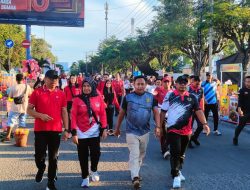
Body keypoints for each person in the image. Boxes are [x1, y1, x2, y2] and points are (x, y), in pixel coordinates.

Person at [160, 75, 210, 189]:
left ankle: (178, 170)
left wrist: (205, 124)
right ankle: (175, 175)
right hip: (173, 129)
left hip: (187, 131)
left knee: (182, 154)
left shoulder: (192, 97)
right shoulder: (170, 95)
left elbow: (198, 111)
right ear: (176, 84)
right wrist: (159, 127)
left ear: (187, 84)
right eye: (180, 82)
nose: (182, 84)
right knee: (175, 152)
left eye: (184, 83)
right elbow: (162, 112)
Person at [114, 75, 161, 190]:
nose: (140, 86)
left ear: (146, 85)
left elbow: (156, 113)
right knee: (134, 154)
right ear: (133, 85)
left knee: (141, 154)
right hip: (131, 131)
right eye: (138, 84)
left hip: (145, 131)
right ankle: (135, 176)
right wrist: (117, 128)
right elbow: (121, 113)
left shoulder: (151, 97)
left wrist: (158, 127)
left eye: (142, 84)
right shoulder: (127, 98)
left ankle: (136, 171)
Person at [27, 70, 69, 190]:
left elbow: (64, 111)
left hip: (56, 130)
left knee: (53, 157)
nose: (53, 81)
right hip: (40, 130)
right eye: (51, 79)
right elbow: (29, 110)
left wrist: (66, 129)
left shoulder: (61, 93)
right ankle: (41, 168)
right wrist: (40, 115)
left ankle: (51, 182)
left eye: (56, 79)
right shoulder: (37, 92)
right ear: (45, 79)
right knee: (39, 156)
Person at [71, 80, 107, 188]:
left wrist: (104, 128)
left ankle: (94, 170)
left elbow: (103, 114)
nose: (86, 88)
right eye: (84, 86)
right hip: (81, 132)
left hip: (94, 131)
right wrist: (74, 132)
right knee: (83, 156)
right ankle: (85, 177)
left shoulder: (98, 98)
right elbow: (73, 116)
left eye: (88, 86)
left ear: (92, 87)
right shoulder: (77, 99)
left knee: (96, 153)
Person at [4, 73, 32, 142]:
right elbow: (30, 95)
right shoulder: (27, 86)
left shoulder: (13, 87)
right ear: (23, 79)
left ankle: (8, 137)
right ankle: (21, 138)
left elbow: (10, 97)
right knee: (22, 122)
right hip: (24, 108)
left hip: (15, 108)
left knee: (11, 122)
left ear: (16, 79)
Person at [154, 76, 172, 158]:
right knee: (163, 131)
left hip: (171, 115)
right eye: (165, 81)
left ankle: (166, 146)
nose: (166, 83)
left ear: (171, 83)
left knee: (170, 132)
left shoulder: (173, 92)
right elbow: (153, 95)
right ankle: (165, 149)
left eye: (168, 82)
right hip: (160, 113)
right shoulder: (158, 89)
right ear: (162, 82)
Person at [188, 76, 205, 148]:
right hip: (189, 110)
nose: (198, 85)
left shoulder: (201, 89)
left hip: (198, 110)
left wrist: (202, 110)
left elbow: (202, 99)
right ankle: (188, 142)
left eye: (199, 83)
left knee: (201, 126)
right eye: (196, 83)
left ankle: (194, 138)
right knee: (189, 127)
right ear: (193, 82)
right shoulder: (188, 88)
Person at [233, 75, 250, 145]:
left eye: (249, 82)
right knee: (241, 126)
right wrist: (239, 109)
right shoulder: (242, 90)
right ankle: (235, 137)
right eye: (247, 82)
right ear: (244, 82)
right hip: (244, 111)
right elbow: (240, 101)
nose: (248, 83)